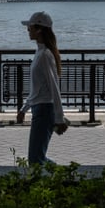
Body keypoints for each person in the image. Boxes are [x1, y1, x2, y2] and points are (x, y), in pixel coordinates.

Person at [16, 11, 69, 164]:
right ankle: (64, 176)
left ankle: (64, 177)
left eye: (30, 27)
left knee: (36, 158)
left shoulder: (45, 55)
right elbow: (37, 89)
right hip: (40, 109)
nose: (28, 30)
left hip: (45, 110)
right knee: (37, 157)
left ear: (39, 29)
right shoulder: (40, 53)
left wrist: (59, 118)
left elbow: (54, 88)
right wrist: (24, 109)